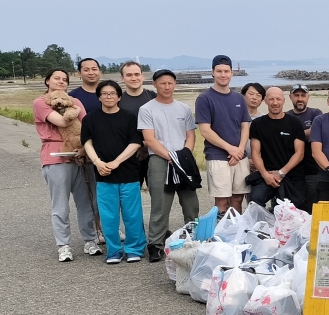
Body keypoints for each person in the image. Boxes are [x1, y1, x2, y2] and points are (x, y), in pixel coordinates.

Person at [35, 69, 100, 262]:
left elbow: (86, 127)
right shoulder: (41, 102)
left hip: (80, 154)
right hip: (55, 156)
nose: (61, 82)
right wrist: (76, 112)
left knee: (87, 202)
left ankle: (90, 240)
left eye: (65, 79)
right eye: (57, 78)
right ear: (47, 81)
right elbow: (63, 121)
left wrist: (85, 151)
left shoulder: (75, 102)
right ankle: (63, 245)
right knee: (60, 205)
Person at [81, 79, 145, 264]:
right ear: (99, 97)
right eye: (104, 94)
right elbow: (87, 142)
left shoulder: (129, 117)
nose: (108, 96)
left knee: (132, 215)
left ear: (119, 97)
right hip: (103, 174)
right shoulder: (90, 118)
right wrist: (97, 162)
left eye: (112, 94)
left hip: (129, 173)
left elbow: (135, 143)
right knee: (109, 216)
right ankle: (114, 250)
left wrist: (117, 161)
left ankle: (134, 248)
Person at [138, 70, 199, 262]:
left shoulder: (183, 108)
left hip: (183, 158)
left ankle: (195, 238)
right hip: (159, 159)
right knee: (160, 204)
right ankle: (155, 244)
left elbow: (190, 135)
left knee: (191, 202)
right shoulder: (147, 109)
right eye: (162, 83)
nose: (166, 87)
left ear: (175, 84)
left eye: (170, 83)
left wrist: (184, 155)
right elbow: (149, 139)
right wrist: (170, 157)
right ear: (155, 85)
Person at [195, 55, 251, 217]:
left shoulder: (239, 98)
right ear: (212, 72)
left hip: (240, 157)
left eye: (226, 71)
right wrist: (230, 149)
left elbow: (245, 126)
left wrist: (239, 150)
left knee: (238, 198)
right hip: (218, 156)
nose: (223, 74)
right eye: (219, 71)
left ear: (232, 73)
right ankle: (222, 235)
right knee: (222, 201)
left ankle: (236, 233)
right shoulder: (205, 98)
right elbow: (205, 130)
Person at [247, 87, 306, 208]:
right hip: (267, 175)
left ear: (284, 101)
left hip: (291, 175)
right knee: (255, 200)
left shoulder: (295, 123)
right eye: (271, 99)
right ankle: (260, 226)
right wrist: (265, 175)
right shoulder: (257, 124)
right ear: (265, 101)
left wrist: (281, 173)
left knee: (292, 211)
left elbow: (299, 153)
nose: (275, 102)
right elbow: (255, 153)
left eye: (278, 99)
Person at [70, 58, 104, 240]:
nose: (91, 72)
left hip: (109, 151)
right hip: (86, 151)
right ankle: (96, 229)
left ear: (100, 72)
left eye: (94, 69)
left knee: (108, 194)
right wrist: (82, 148)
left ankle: (110, 227)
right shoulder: (74, 97)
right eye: (86, 69)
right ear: (79, 73)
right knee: (90, 195)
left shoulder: (109, 92)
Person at [285, 84, 323, 212]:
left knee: (313, 205)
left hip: (313, 169)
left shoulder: (316, 113)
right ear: (290, 97)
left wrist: (293, 134)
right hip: (291, 171)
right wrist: (305, 133)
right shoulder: (286, 116)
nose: (300, 99)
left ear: (308, 97)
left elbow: (317, 131)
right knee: (294, 206)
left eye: (303, 95)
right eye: (296, 95)